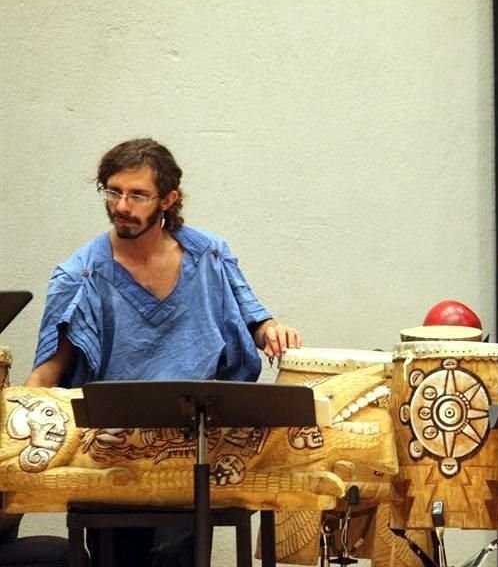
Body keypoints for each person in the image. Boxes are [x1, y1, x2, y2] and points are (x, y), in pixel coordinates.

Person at [25, 137, 301, 565]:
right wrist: (21, 428)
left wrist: (274, 331)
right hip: (112, 457)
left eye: (137, 195)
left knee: (180, 554)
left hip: (198, 450)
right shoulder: (78, 275)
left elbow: (256, 322)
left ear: (168, 200)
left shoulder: (209, 254)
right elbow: (47, 374)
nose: (121, 205)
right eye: (113, 191)